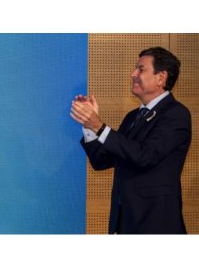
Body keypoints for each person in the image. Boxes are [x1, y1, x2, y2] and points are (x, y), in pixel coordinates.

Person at [70, 47, 191, 234]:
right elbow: (102, 161)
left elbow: (145, 155)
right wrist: (89, 127)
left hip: (156, 223)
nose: (132, 74)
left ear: (161, 78)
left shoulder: (176, 114)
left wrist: (99, 126)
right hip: (125, 221)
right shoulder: (133, 116)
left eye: (141, 69)